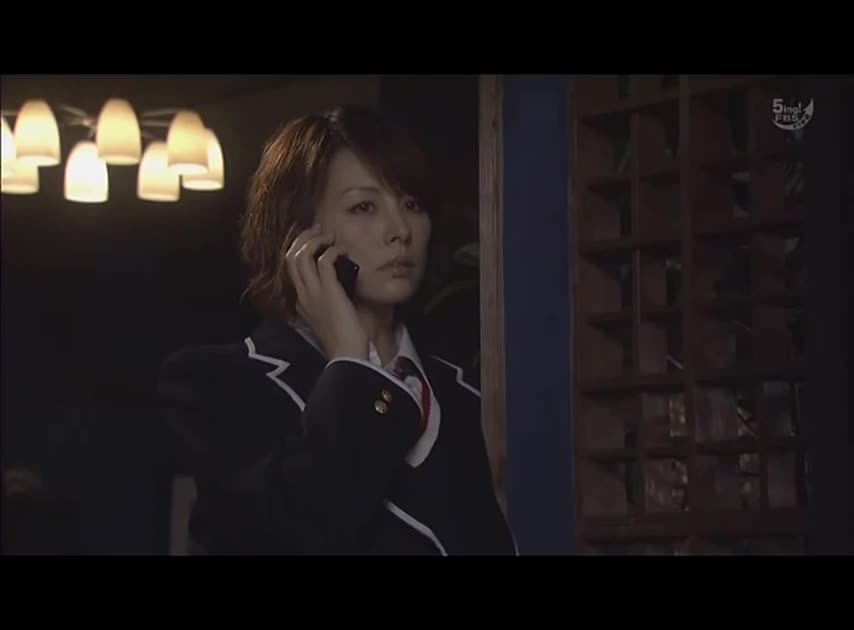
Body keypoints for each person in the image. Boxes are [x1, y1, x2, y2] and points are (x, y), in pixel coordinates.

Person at [157, 105, 517, 555]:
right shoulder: (217, 383)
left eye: (412, 204)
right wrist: (351, 362)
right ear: (299, 237)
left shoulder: (462, 393)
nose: (400, 230)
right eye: (364, 207)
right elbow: (298, 532)